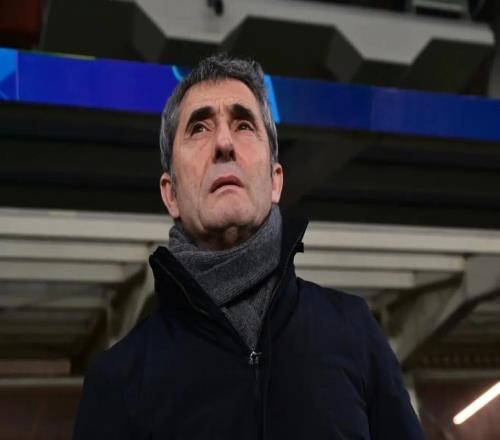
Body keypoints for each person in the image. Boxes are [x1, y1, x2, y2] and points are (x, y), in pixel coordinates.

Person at [73, 54, 425, 439]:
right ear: (170, 193)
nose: (224, 143)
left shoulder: (353, 331)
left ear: (275, 181)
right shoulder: (119, 379)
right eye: (199, 128)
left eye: (243, 125)